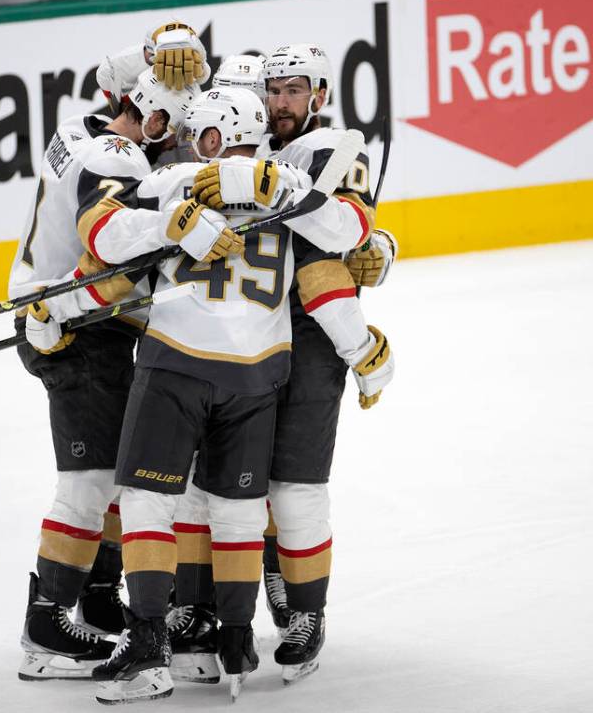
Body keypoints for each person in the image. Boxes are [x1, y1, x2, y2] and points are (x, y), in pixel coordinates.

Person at [41, 85, 391, 703]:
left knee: (154, 501)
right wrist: (363, 346)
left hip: (177, 367)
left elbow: (107, 245)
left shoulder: (175, 182)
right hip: (257, 377)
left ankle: (152, 643)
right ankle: (232, 641)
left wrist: (59, 306)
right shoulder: (288, 187)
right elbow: (342, 238)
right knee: (237, 510)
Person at [9, 68, 200, 680]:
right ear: (148, 117)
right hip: (75, 326)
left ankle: (92, 600)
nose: (178, 141)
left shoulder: (80, 131)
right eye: (173, 126)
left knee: (117, 477)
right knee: (89, 484)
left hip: (76, 319)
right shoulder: (119, 154)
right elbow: (109, 248)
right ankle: (45, 626)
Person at [245, 42, 397, 682]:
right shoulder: (230, 139)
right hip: (238, 332)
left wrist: (380, 247)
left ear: (319, 97)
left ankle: (306, 610)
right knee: (238, 488)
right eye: (273, 90)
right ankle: (273, 570)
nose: (281, 102)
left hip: (309, 335)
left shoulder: (337, 148)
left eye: (294, 90)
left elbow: (355, 229)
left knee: (297, 486)